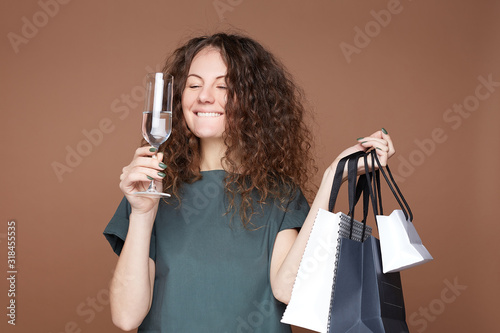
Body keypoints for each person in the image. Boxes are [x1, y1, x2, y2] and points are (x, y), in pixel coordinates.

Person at [103, 33, 395, 332]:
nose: (204, 96)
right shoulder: (149, 191)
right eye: (193, 85)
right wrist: (141, 213)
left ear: (254, 102)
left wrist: (333, 178)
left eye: (224, 86)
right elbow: (126, 317)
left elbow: (288, 291)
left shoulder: (280, 194)